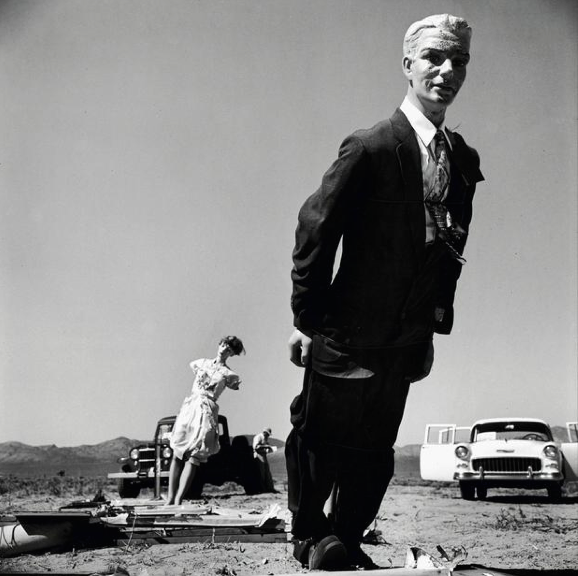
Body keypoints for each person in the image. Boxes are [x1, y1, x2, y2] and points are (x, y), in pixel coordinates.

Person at [285, 14, 483, 571]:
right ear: (408, 65)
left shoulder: (462, 161)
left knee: (376, 448)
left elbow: (450, 250)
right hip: (345, 330)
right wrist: (306, 317)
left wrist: (433, 324)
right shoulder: (371, 146)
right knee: (320, 436)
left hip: (405, 334)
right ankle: (310, 538)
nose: (447, 71)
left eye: (458, 61)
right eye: (434, 58)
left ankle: (346, 538)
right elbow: (314, 229)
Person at [166, 336, 245, 505]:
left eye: (229, 349)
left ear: (231, 353)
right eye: (223, 345)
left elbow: (234, 385)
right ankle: (170, 498)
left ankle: (179, 499)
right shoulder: (201, 363)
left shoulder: (229, 374)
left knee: (195, 455)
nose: (224, 349)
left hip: (207, 410)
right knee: (177, 451)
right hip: (190, 407)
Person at [253, 427, 276, 492]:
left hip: (264, 455)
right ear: (265, 432)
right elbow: (256, 447)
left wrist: (268, 448)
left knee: (267, 472)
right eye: (267, 434)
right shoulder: (258, 437)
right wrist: (266, 446)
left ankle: (269, 488)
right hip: (258, 455)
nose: (268, 436)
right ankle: (262, 489)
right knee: (261, 473)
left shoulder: (265, 438)